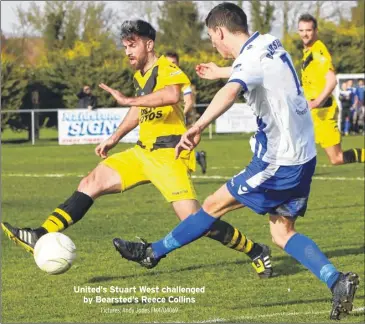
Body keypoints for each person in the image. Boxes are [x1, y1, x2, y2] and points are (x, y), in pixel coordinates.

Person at [112, 4, 359, 321]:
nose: (213, 44)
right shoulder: (269, 42)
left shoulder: (249, 60)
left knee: (213, 204)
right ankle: (336, 281)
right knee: (282, 233)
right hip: (303, 157)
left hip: (278, 162)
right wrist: (221, 71)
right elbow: (256, 69)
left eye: (211, 38)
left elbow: (230, 93)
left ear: (219, 32)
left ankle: (152, 253)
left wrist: (198, 125)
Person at [1, 19, 273, 280]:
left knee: (195, 221)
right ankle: (41, 232)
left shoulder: (166, 67)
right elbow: (139, 109)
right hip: (142, 152)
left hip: (169, 156)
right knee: (91, 181)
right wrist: (115, 137)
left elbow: (172, 95)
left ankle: (256, 250)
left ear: (149, 44)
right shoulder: (140, 75)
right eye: (125, 46)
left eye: (132, 45)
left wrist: (129, 98)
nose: (128, 51)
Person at [298, 14, 364, 164]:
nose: (305, 34)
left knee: (337, 158)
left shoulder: (318, 51)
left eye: (308, 30)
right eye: (301, 30)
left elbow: (332, 80)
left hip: (323, 112)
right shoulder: (307, 52)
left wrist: (316, 102)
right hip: (312, 113)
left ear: (315, 31)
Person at [165, 51, 207, 174]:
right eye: (167, 63)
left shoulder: (182, 79)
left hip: (181, 118)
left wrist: (180, 115)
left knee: (179, 144)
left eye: (173, 63)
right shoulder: (161, 78)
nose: (170, 66)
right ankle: (198, 156)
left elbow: (189, 101)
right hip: (167, 119)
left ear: (178, 64)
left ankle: (190, 163)